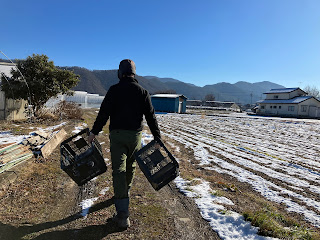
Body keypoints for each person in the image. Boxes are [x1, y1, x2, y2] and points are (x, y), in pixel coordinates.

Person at [88, 59, 161, 229]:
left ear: (120, 73)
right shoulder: (143, 91)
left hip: (117, 135)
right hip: (135, 136)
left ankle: (122, 213)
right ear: (134, 73)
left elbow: (103, 113)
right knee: (131, 167)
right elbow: (151, 116)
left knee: (119, 170)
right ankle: (124, 194)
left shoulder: (114, 90)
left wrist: (94, 133)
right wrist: (157, 137)